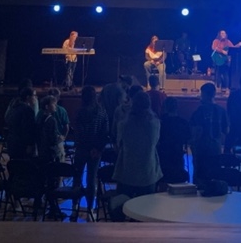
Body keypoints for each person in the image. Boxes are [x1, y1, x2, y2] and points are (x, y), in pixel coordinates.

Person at [113, 91, 162, 198]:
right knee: (147, 208)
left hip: (128, 170)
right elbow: (156, 143)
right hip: (148, 171)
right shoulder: (155, 124)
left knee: (125, 206)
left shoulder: (124, 124)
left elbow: (118, 144)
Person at [72, 85, 109, 214]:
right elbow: (104, 132)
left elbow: (78, 132)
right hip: (95, 150)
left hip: (81, 148)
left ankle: (74, 206)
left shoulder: (79, 112)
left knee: (77, 177)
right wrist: (98, 148)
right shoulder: (101, 111)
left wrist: (84, 145)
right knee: (91, 179)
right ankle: (90, 207)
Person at [189, 82, 229, 184]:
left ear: (205, 95)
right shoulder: (221, 111)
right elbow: (226, 130)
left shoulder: (199, 111)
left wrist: (193, 146)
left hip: (202, 150)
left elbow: (195, 132)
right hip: (216, 149)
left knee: (201, 181)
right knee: (214, 179)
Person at [157, 97, 191, 182]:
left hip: (163, 155)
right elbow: (188, 138)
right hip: (178, 155)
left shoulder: (160, 122)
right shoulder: (183, 122)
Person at [6, 87, 38, 160]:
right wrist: (30, 145)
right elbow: (28, 129)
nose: (36, 98)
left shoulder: (14, 107)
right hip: (22, 145)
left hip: (12, 142)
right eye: (34, 95)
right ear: (28, 97)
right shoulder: (28, 110)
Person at [37, 95, 65, 163]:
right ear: (47, 107)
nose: (56, 106)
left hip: (42, 150)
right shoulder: (52, 120)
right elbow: (53, 139)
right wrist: (60, 138)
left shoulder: (41, 118)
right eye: (54, 104)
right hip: (51, 152)